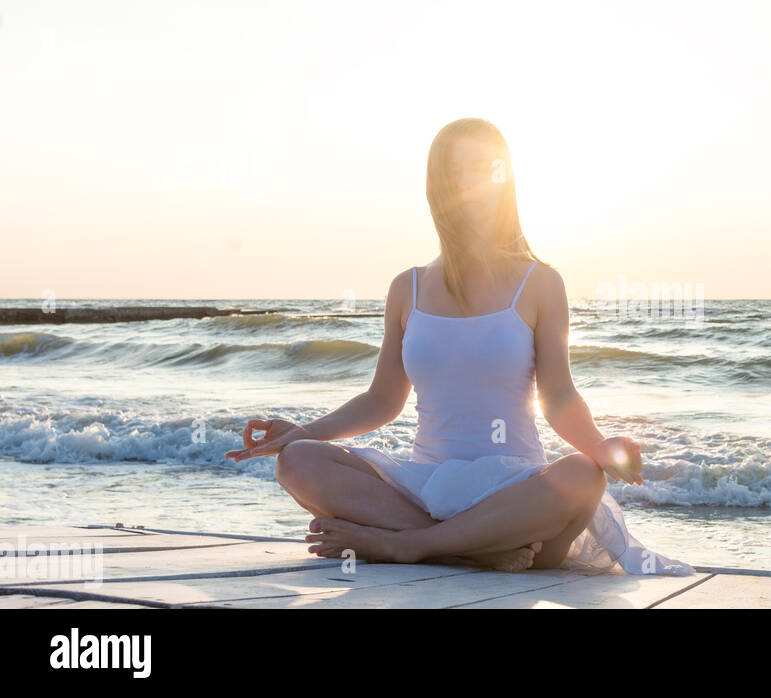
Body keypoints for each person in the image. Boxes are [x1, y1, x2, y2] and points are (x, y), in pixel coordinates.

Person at [225, 118, 692, 576]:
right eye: (455, 171)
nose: (468, 183)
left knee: (581, 475)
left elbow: (559, 397)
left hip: (516, 493)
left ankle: (409, 545)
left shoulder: (540, 283)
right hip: (425, 488)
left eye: (482, 168)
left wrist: (599, 445)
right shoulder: (406, 288)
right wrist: (305, 431)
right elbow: (383, 400)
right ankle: (465, 549)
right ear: (437, 186)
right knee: (298, 460)